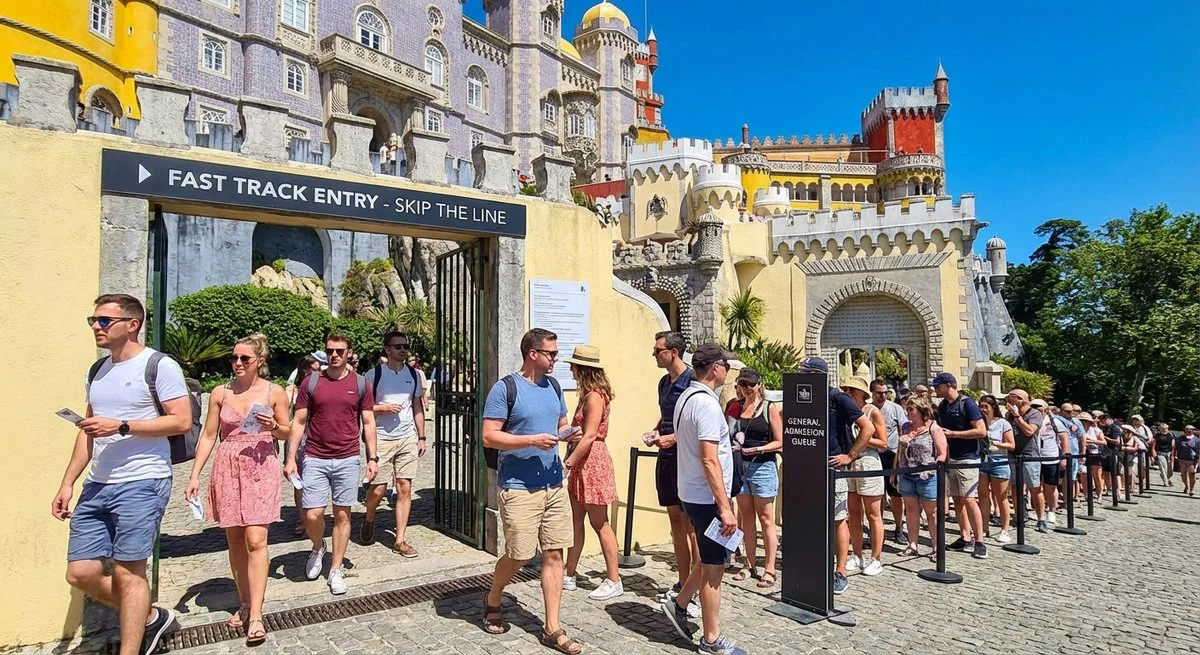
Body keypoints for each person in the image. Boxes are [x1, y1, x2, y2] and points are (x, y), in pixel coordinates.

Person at [52, 294, 191, 655]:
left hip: (143, 480)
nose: (95, 327)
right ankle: (149, 616)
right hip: (98, 483)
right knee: (80, 572)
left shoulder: (159, 366)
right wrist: (67, 482)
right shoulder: (97, 371)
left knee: (131, 573)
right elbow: (88, 430)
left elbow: (181, 420)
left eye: (103, 321)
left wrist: (123, 425)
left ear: (132, 324)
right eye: (93, 320)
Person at [479, 329, 581, 655]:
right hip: (519, 487)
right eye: (551, 353)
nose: (556, 358)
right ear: (532, 353)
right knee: (520, 554)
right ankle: (494, 594)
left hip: (553, 484)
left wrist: (569, 434)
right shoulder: (505, 388)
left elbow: (559, 424)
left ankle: (552, 627)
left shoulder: (553, 386)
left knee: (554, 553)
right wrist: (531, 440)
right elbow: (489, 436)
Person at [184, 334, 290, 645]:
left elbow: (287, 431)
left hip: (260, 466)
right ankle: (244, 602)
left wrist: (274, 428)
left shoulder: (275, 392)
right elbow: (208, 435)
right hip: (228, 466)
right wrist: (194, 475)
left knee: (256, 538)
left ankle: (256, 614)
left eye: (245, 358)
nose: (238, 363)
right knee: (234, 539)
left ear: (260, 362)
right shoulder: (220, 392)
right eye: (234, 358)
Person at [660, 345, 746, 655]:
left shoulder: (687, 396)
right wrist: (725, 509)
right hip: (707, 498)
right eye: (725, 364)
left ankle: (679, 603)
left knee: (708, 558)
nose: (727, 370)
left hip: (693, 493)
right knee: (714, 568)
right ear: (714, 369)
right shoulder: (707, 405)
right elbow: (710, 459)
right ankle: (711, 640)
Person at [284, 333, 377, 596]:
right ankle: (317, 547)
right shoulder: (312, 382)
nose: (334, 355)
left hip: (348, 457)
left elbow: (368, 422)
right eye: (330, 351)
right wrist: (291, 458)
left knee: (343, 514)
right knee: (312, 514)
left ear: (349, 353)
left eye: (339, 351)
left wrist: (373, 457)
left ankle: (335, 568)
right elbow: (299, 421)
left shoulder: (360, 384)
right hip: (315, 456)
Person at [798, 357, 873, 596]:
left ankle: (840, 571)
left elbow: (867, 428)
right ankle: (814, 565)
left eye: (806, 372)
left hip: (833, 466)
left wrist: (850, 455)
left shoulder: (838, 398)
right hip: (808, 468)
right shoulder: (801, 395)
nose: (802, 376)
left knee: (838, 518)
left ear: (818, 374)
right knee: (811, 518)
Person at [645, 331, 701, 615]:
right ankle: (682, 581)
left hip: (686, 460)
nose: (654, 355)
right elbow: (668, 417)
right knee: (675, 521)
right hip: (665, 458)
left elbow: (698, 425)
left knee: (691, 526)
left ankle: (697, 585)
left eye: (658, 350)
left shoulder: (693, 381)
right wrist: (657, 431)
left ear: (674, 352)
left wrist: (675, 438)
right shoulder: (663, 383)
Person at [562, 345, 623, 601]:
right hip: (582, 460)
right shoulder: (587, 394)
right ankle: (570, 572)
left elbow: (590, 435)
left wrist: (568, 463)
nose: (571, 369)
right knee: (576, 519)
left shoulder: (595, 396)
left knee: (600, 522)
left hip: (591, 461)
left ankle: (614, 578)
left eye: (574, 365)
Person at [361, 332, 426, 557]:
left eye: (405, 346)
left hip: (406, 437)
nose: (402, 350)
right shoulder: (373, 375)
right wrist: (382, 408)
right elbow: (363, 408)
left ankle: (400, 540)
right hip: (381, 438)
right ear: (387, 349)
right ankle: (369, 517)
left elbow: (417, 405)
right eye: (397, 346)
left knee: (404, 487)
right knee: (378, 489)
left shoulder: (414, 375)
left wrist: (422, 436)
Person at [726, 368, 783, 588]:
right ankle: (749, 564)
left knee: (766, 519)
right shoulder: (735, 406)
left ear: (759, 384)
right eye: (742, 384)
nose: (746, 388)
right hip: (740, 466)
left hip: (763, 466)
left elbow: (779, 441)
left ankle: (769, 568)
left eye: (750, 384)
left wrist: (758, 449)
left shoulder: (770, 408)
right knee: (745, 518)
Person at [931, 373, 988, 559]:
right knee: (957, 499)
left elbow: (981, 430)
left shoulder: (967, 403)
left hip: (967, 458)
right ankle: (965, 536)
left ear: (949, 385)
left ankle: (980, 540)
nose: (935, 390)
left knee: (969, 498)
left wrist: (954, 434)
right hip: (951, 459)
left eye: (937, 386)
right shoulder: (943, 406)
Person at [840, 376, 888, 576]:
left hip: (868, 460)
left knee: (873, 513)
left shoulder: (873, 413)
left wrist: (863, 440)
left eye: (852, 390)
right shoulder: (848, 413)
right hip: (851, 463)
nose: (849, 394)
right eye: (847, 390)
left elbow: (884, 443)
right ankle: (857, 554)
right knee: (854, 513)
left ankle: (876, 558)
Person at [895, 395, 947, 561]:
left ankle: (936, 547)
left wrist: (937, 467)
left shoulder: (933, 428)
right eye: (907, 409)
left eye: (911, 409)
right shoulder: (905, 427)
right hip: (907, 473)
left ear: (921, 410)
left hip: (927, 475)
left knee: (932, 513)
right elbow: (900, 450)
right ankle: (912, 544)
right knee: (911, 511)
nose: (908, 413)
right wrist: (896, 469)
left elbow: (942, 452)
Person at [285, 353, 321, 536]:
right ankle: (301, 518)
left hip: (316, 438)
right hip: (297, 438)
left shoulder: (321, 386)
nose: (319, 372)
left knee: (315, 480)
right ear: (306, 370)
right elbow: (286, 417)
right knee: (299, 482)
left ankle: (313, 515)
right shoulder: (292, 390)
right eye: (315, 369)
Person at [870, 378, 908, 545]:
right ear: (872, 393)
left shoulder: (895, 409)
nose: (883, 396)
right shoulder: (867, 409)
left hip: (891, 455)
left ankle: (899, 527)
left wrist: (901, 456)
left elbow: (904, 431)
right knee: (874, 496)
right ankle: (877, 531)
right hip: (873, 455)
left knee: (896, 495)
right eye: (879, 393)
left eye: (886, 393)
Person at [1005, 390, 1047, 531]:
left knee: (1034, 487)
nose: (1009, 403)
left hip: (1030, 455)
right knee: (1015, 487)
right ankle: (1019, 514)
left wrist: (1017, 417)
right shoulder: (1009, 415)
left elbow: (1029, 431)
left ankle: (1041, 518)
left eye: (1011, 399)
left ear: (1020, 399)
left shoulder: (1035, 414)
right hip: (1013, 454)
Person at [977, 395, 1014, 544]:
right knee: (983, 495)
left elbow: (1011, 445)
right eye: (981, 406)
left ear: (993, 407)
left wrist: (996, 444)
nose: (983, 409)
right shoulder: (979, 423)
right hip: (982, 461)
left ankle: (1004, 529)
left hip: (999, 461)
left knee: (1001, 497)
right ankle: (984, 527)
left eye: (986, 406)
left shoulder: (1003, 423)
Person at [1080, 411, 1106, 498]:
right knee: (1084, 475)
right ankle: (1086, 494)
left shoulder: (1096, 430)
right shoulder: (1079, 430)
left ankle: (1099, 494)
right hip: (1083, 454)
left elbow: (1104, 442)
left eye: (1084, 421)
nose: (1083, 422)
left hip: (1095, 454)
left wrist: (1092, 441)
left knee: (1097, 475)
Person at [1175, 426, 1199, 496]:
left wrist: (1197, 460)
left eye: (1192, 430)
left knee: (1192, 474)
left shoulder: (1196, 440)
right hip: (1182, 458)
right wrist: (1175, 455)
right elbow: (1176, 447)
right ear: (1185, 430)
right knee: (1183, 474)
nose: (1190, 431)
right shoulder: (1181, 438)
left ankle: (1191, 490)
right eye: (1188, 429)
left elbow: (1198, 450)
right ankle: (1186, 485)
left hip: (1192, 459)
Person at [1151, 422, 1175, 487]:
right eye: (1162, 428)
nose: (1164, 429)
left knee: (1170, 469)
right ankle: (1165, 482)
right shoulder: (1157, 436)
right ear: (1160, 429)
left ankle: (1167, 478)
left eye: (1165, 428)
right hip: (1160, 453)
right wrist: (1153, 454)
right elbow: (1153, 446)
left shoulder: (1171, 435)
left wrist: (1173, 455)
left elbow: (1173, 446)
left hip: (1169, 453)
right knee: (1163, 468)